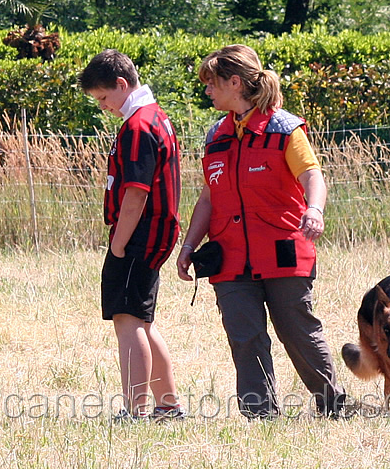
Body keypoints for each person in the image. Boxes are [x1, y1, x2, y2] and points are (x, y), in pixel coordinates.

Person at [176, 44, 346, 419]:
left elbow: (312, 176)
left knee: (297, 332)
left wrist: (314, 209)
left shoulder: (285, 129)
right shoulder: (215, 136)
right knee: (244, 336)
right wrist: (189, 244)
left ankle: (334, 404)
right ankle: (260, 417)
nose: (207, 91)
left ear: (235, 83)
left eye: (212, 83)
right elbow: (208, 197)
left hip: (282, 252)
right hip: (230, 258)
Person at [79, 49, 184, 421]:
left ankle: (135, 411)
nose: (104, 106)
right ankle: (168, 405)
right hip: (156, 233)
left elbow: (136, 192)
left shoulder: (138, 126)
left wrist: (119, 243)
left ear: (122, 85)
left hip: (139, 234)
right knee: (142, 321)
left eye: (104, 97)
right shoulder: (158, 118)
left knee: (127, 322)